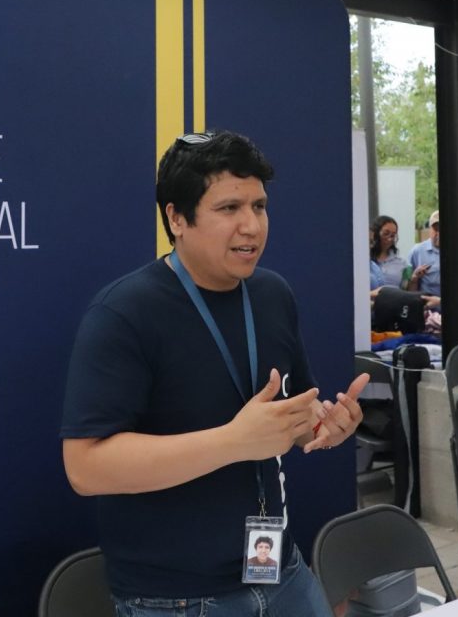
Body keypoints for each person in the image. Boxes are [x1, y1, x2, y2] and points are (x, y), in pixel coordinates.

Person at [60, 130, 366, 616]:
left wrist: (321, 427)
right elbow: (85, 468)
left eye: (259, 206)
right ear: (176, 218)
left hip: (280, 570)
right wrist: (233, 441)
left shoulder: (273, 295)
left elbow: (289, 419)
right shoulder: (124, 313)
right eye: (229, 208)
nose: (252, 226)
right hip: (175, 597)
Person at [368, 215, 410, 290]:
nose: (389, 238)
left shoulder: (402, 262)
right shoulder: (366, 260)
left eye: (393, 235)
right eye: (386, 233)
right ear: (375, 234)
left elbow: (405, 288)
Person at [407, 209, 441, 301]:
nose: (439, 233)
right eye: (436, 229)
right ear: (429, 229)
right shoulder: (417, 251)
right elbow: (405, 283)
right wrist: (414, 277)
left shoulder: (457, 251)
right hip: (426, 307)